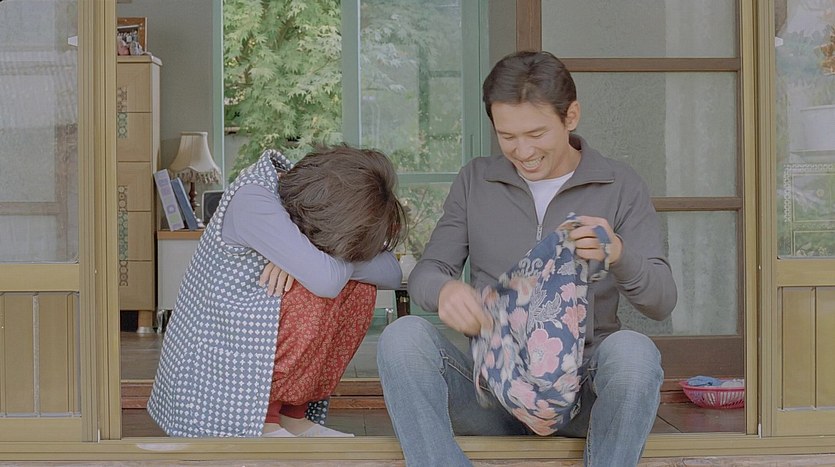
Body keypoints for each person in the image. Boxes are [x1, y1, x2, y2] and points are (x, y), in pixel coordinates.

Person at [376, 51, 677, 466]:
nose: (522, 151)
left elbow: (661, 301)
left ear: (571, 116)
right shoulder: (476, 181)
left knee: (634, 354)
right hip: (490, 393)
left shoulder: (620, 185)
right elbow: (430, 271)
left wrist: (619, 253)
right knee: (402, 338)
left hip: (582, 395)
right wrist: (445, 291)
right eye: (507, 136)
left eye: (536, 133)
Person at [148, 144, 406, 438]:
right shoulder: (253, 200)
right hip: (213, 377)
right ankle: (265, 419)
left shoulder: (301, 200)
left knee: (358, 290)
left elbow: (391, 273)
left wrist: (318, 254)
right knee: (313, 288)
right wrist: (317, 261)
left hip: (248, 350)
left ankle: (291, 415)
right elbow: (325, 280)